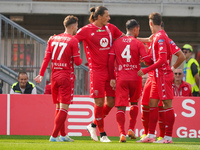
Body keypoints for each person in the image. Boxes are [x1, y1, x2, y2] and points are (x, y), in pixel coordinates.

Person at [74, 6, 124, 142]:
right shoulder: (85, 30)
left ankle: (92, 125)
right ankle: (102, 134)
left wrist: (147, 41)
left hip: (110, 70)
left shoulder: (111, 28)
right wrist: (56, 39)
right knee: (100, 102)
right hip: (96, 72)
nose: (109, 18)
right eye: (107, 16)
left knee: (112, 101)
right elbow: (72, 41)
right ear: (99, 17)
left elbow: (126, 40)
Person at [34, 15, 82, 142]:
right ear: (72, 26)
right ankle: (54, 136)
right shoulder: (73, 41)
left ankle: (63, 135)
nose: (77, 28)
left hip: (54, 77)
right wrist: (79, 57)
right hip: (66, 76)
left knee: (58, 107)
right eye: (77, 25)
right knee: (64, 108)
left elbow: (46, 58)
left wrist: (41, 74)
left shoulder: (53, 39)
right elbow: (77, 62)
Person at [137, 20, 185, 143]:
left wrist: (171, 69)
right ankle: (150, 135)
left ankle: (167, 137)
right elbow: (148, 41)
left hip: (161, 75)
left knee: (165, 105)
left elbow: (173, 58)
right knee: (151, 103)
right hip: (155, 75)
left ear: (151, 23)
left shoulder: (163, 38)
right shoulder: (158, 37)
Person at [108, 19, 152, 142]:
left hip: (121, 78)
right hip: (135, 78)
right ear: (135, 29)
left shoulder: (116, 43)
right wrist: (147, 60)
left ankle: (122, 133)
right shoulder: (138, 43)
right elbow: (147, 59)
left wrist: (112, 77)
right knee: (134, 103)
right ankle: (131, 129)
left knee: (120, 107)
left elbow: (111, 61)